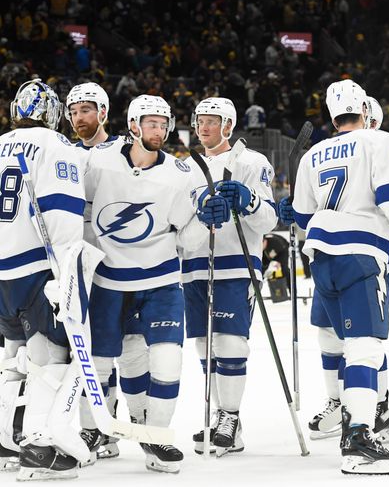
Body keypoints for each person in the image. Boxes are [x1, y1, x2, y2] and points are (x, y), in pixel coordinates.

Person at [279, 79, 389, 475]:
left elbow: (303, 216)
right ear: (364, 107)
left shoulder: (312, 155)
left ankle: (349, 418)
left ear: (330, 113)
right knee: (365, 346)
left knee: (341, 342)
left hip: (321, 256)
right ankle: (359, 436)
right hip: (361, 253)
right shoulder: (378, 141)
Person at [83, 95, 229, 473]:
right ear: (133, 125)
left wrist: (206, 219)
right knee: (100, 362)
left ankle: (155, 436)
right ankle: (90, 430)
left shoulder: (177, 175)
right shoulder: (98, 163)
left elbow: (187, 238)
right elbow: (77, 209)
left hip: (161, 280)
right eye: (151, 123)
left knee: (167, 360)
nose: (159, 131)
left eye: (164, 125)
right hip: (107, 279)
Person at [0, 80, 87, 480]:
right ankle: (37, 442)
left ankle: (4, 440)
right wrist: (67, 272)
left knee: (10, 354)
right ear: (53, 115)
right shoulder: (57, 147)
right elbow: (63, 213)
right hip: (34, 268)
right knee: (49, 355)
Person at [182, 97, 278, 456]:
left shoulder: (251, 161)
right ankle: (223, 420)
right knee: (205, 345)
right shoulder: (184, 168)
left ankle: (230, 417)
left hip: (237, 264)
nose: (203, 127)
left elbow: (269, 220)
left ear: (228, 125)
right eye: (199, 120)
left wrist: (247, 201)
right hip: (194, 265)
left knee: (231, 343)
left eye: (211, 120)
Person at [304, 93, 389, 443]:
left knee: (364, 340)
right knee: (341, 335)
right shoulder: (376, 143)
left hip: (337, 253)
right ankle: (345, 404)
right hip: (352, 250)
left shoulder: (327, 150)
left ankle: (373, 408)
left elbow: (302, 213)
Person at [65, 81, 122, 464]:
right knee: (83, 349)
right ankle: (95, 425)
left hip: (116, 261)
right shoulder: (62, 152)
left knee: (115, 350)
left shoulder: (122, 150)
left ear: (102, 112)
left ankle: (109, 425)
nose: (78, 117)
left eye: (86, 110)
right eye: (73, 111)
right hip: (74, 261)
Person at [65, 82, 117, 150]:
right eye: (74, 113)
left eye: (85, 111)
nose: (79, 118)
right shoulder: (68, 153)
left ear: (102, 112)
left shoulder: (125, 149)